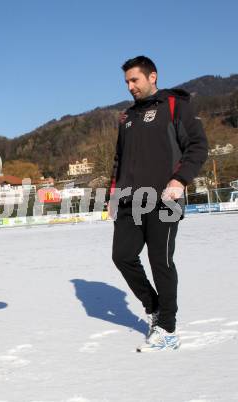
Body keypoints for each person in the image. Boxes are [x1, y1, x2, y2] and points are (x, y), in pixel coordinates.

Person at [110, 56, 208, 352]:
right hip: (130, 202)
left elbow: (197, 146)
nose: (130, 87)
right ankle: (154, 307)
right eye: (126, 82)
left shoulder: (176, 106)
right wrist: (114, 194)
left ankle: (167, 329)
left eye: (134, 80)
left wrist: (180, 180)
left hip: (164, 198)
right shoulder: (127, 118)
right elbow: (119, 160)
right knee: (122, 256)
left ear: (152, 76)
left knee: (160, 261)